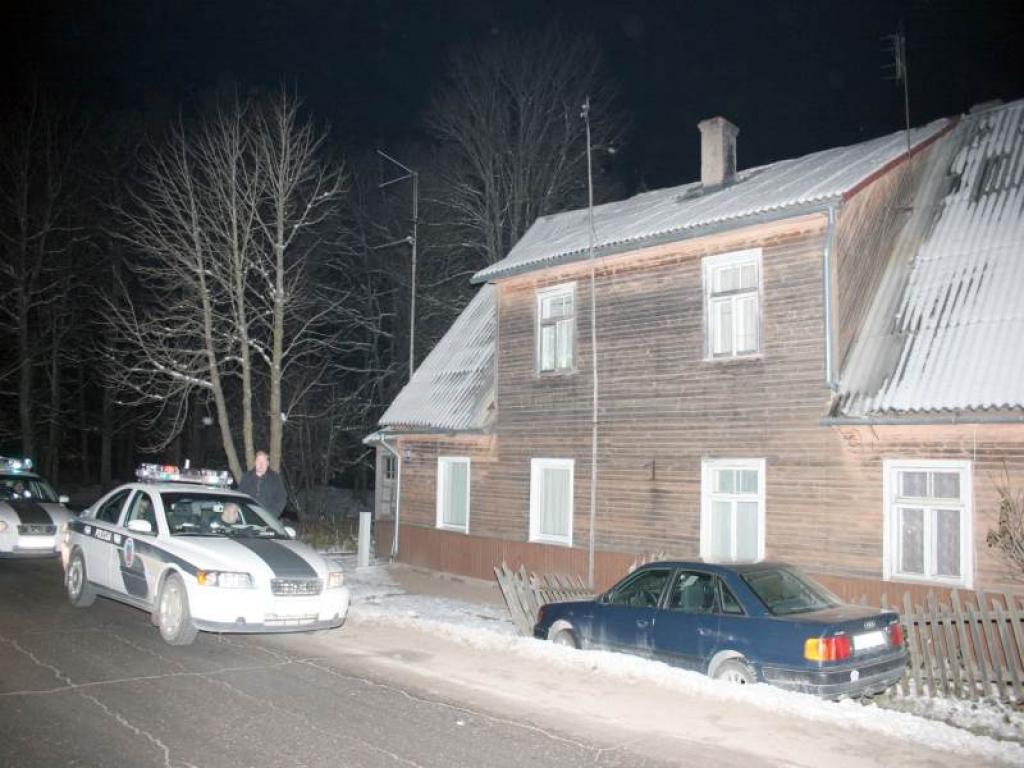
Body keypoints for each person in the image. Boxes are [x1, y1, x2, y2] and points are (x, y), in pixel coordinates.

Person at [237, 450, 287, 519]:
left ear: (267, 463)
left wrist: (272, 514)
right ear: (255, 463)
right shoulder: (246, 477)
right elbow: (239, 495)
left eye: (263, 462)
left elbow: (282, 498)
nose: (261, 464)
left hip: (268, 517)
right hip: (248, 516)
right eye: (259, 461)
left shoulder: (275, 479)